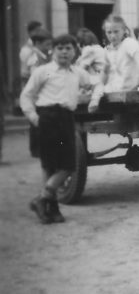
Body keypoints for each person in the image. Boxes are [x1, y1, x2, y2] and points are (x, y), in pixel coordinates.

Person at [20, 34, 103, 224]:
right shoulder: (44, 71)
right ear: (53, 51)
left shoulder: (77, 72)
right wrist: (33, 117)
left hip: (65, 118)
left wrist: (95, 98)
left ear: (75, 52)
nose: (64, 52)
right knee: (49, 165)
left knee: (67, 165)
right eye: (60, 48)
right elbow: (27, 95)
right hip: (46, 118)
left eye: (68, 49)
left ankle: (41, 199)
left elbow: (96, 83)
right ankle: (52, 207)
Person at [21, 28, 53, 158]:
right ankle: (37, 150)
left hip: (39, 94)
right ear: (38, 43)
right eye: (47, 44)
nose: (49, 47)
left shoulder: (42, 55)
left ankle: (38, 149)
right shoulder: (34, 57)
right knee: (37, 123)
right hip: (36, 94)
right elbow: (36, 77)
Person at [103, 15, 139, 93]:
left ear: (124, 30)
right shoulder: (107, 50)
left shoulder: (129, 43)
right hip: (111, 92)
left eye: (116, 31)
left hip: (128, 91)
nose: (113, 36)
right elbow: (105, 72)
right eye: (109, 32)